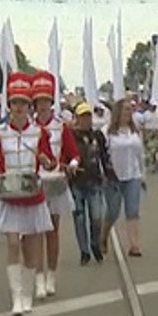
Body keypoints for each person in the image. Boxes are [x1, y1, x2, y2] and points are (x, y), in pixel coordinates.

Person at [0, 72, 57, 316]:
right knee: (13, 243)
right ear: (10, 106)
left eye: (23, 104)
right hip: (9, 196)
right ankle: (16, 296)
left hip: (32, 197)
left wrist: (46, 161)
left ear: (29, 107)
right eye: (15, 103)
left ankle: (26, 295)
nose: (19, 108)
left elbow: (50, 162)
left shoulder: (40, 133)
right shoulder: (0, 133)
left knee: (31, 250)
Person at [28, 71, 80, 300]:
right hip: (35, 183)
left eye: (46, 101)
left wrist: (73, 164)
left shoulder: (62, 127)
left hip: (56, 181)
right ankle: (38, 277)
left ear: (51, 103)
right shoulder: (27, 128)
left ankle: (51, 274)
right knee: (37, 231)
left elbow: (73, 153)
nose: (42, 106)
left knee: (53, 231)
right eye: (38, 102)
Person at [68, 102, 115, 264]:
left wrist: (109, 174)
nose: (86, 120)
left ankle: (95, 243)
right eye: (82, 117)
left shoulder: (97, 136)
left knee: (97, 217)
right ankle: (84, 251)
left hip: (95, 181)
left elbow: (104, 156)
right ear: (76, 119)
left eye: (88, 116)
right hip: (76, 182)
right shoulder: (70, 136)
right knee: (79, 218)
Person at [105, 98, 147, 258]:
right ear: (118, 112)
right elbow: (104, 154)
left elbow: (140, 155)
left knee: (132, 210)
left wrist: (143, 175)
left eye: (130, 109)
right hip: (114, 177)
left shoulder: (135, 132)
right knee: (113, 211)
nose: (128, 113)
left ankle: (134, 244)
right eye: (125, 109)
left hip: (133, 175)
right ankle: (105, 234)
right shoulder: (107, 132)